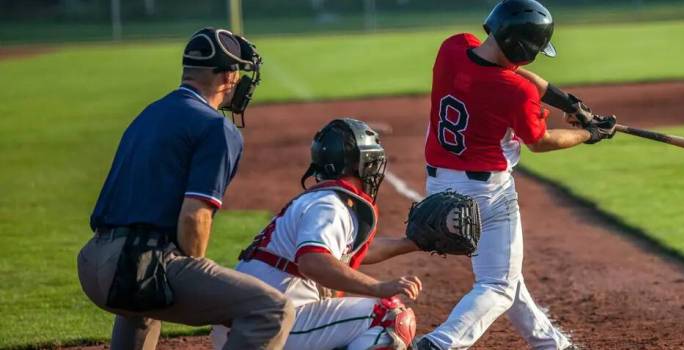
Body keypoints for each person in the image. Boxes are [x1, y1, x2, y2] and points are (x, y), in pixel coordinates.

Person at [414, 0, 616, 349]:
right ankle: (440, 343)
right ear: (523, 49)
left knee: (505, 275)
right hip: (487, 194)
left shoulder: (453, 47)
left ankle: (552, 345)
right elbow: (540, 140)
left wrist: (567, 102)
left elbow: (505, 68)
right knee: (497, 286)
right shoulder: (515, 92)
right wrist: (589, 134)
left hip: (438, 185)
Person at [77, 27, 295, 350]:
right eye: (237, 72)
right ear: (226, 76)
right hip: (132, 269)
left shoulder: (149, 114)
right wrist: (201, 279)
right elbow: (194, 218)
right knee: (273, 309)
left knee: (143, 307)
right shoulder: (217, 127)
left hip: (93, 262)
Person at [211, 118, 426, 350]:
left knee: (344, 324)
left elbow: (344, 253)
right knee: (389, 316)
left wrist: (412, 243)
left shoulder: (319, 201)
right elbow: (313, 261)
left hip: (246, 326)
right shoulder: (330, 206)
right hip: (271, 326)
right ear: (361, 164)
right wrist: (378, 288)